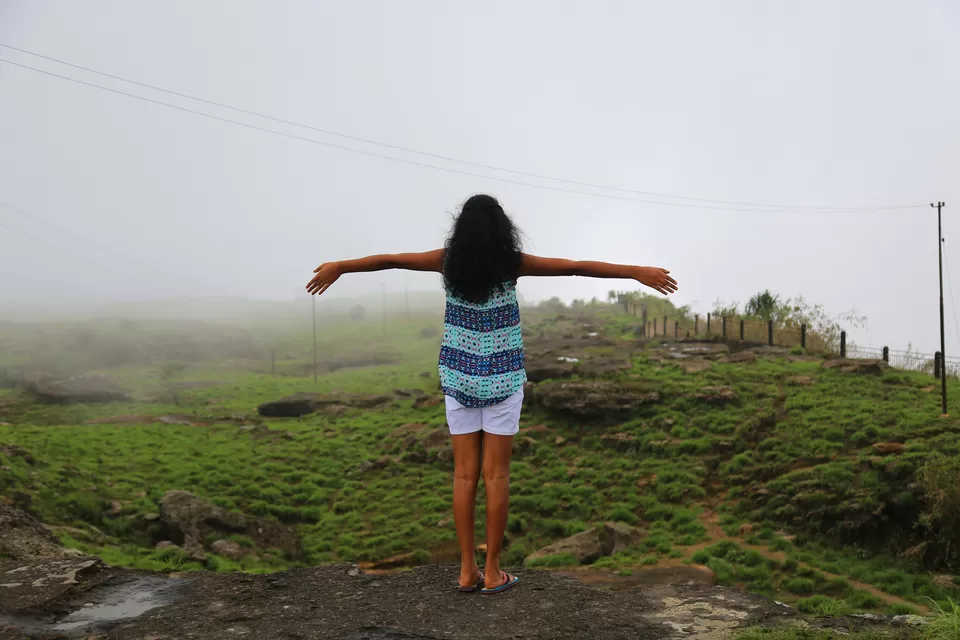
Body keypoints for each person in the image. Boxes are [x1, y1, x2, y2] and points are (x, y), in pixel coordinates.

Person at [306, 194, 677, 594]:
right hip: (502, 380)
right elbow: (575, 268)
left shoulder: (446, 260)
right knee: (496, 476)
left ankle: (467, 571)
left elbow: (392, 260)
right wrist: (637, 271)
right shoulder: (510, 262)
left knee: (464, 476)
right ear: (502, 228)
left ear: (461, 227)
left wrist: (341, 266)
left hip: (459, 377)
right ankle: (494, 571)